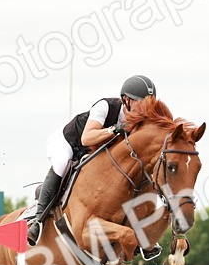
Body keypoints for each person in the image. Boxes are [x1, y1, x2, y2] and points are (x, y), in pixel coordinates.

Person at [26, 74, 157, 246]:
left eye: (151, 103)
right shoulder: (105, 106)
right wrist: (114, 129)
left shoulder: (143, 121)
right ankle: (38, 220)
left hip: (94, 154)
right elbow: (86, 139)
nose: (147, 109)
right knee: (62, 162)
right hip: (69, 143)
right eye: (142, 103)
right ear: (126, 100)